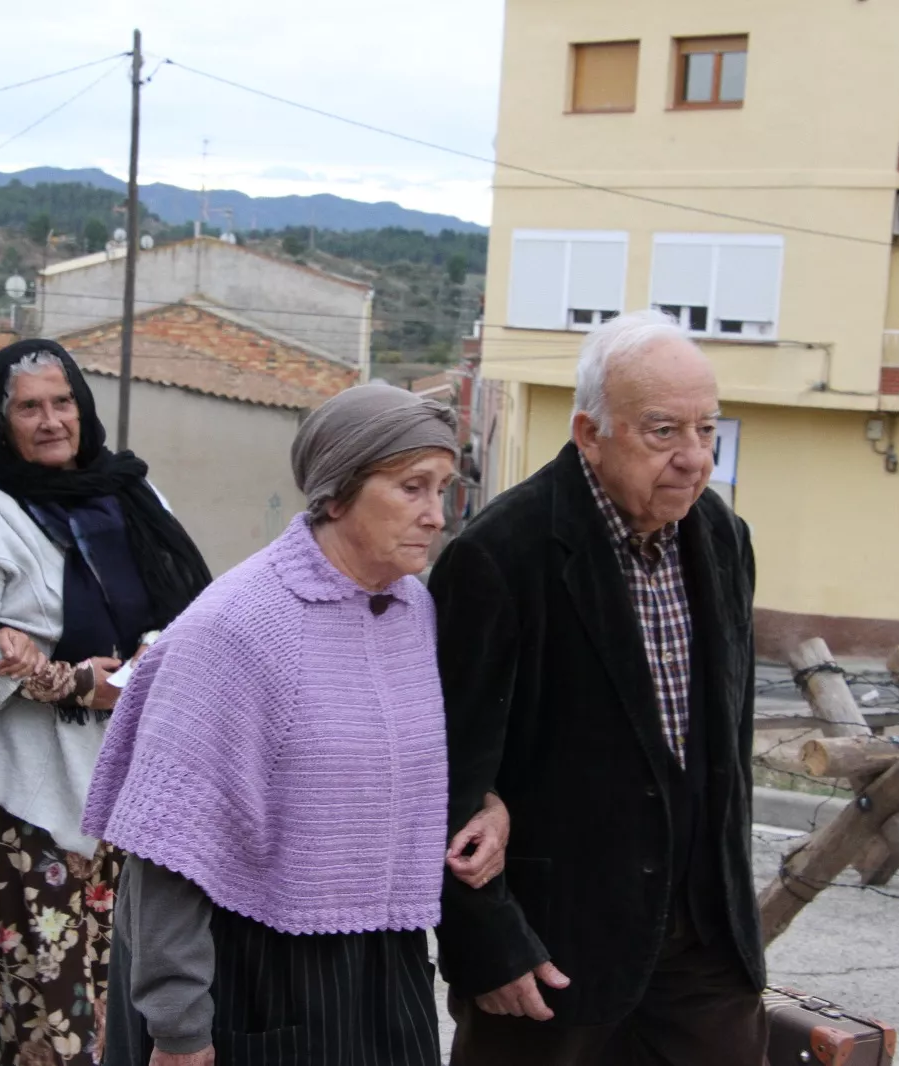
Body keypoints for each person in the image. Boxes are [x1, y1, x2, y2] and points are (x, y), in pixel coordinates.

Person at [85, 383, 511, 1066]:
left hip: (387, 968)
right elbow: (167, 853)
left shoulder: (412, 611)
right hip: (258, 976)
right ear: (337, 494)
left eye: (443, 489)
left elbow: (400, 763)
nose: (436, 515)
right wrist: (179, 1026)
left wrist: (487, 808)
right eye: (411, 488)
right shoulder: (239, 628)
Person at [430, 309, 767, 1065]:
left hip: (705, 944)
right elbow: (448, 774)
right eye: (662, 432)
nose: (693, 459)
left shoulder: (722, 538)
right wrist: (488, 943)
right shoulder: (499, 557)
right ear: (590, 433)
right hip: (556, 950)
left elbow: (729, 744)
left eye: (707, 430)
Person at [0, 339, 216, 1066]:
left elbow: (186, 609)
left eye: (62, 402)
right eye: (29, 407)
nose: (51, 420)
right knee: (45, 1001)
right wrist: (61, 681)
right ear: (1, 426)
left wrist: (130, 671)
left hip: (126, 779)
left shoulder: (131, 492)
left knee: (120, 991)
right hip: (22, 789)